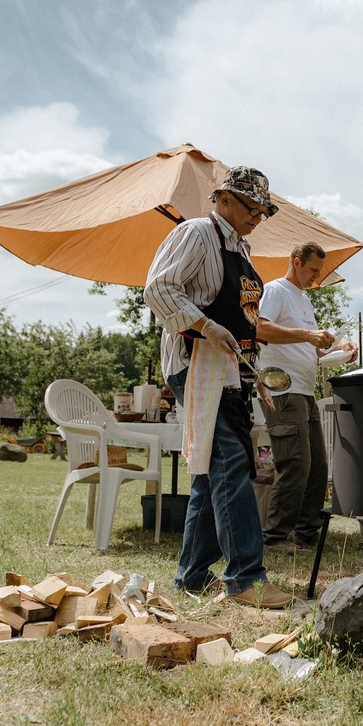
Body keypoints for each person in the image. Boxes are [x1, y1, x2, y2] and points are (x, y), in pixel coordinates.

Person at [144, 165, 295, 609]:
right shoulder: (196, 233)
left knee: (212, 474)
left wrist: (254, 377)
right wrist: (206, 326)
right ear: (224, 199)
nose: (257, 218)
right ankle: (246, 578)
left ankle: (192, 576)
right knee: (232, 465)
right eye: (252, 209)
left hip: (232, 372)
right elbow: (159, 289)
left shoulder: (242, 249)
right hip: (197, 365)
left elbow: (244, 320)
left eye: (263, 212)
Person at [256, 242, 357, 553]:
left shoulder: (303, 299)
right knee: (295, 463)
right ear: (296, 262)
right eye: (313, 269)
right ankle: (275, 537)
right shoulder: (276, 290)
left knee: (317, 466)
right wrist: (308, 335)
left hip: (304, 390)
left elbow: (309, 348)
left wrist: (338, 350)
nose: (316, 276)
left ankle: (306, 535)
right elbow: (260, 329)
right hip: (282, 389)